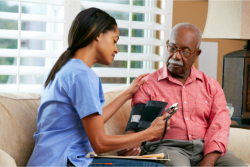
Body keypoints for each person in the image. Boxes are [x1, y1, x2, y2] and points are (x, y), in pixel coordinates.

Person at [26, 8, 170, 167]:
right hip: (65, 162)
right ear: (98, 34)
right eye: (114, 41)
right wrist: (149, 133)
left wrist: (128, 93)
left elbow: (95, 121)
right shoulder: (83, 76)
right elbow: (100, 144)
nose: (116, 49)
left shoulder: (62, 70)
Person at [119, 23, 247, 167]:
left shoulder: (211, 86)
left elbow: (220, 125)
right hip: (168, 148)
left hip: (206, 148)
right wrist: (128, 145)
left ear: (197, 54)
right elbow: (134, 125)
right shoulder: (147, 84)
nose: (176, 56)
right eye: (172, 48)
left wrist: (209, 161)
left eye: (185, 52)